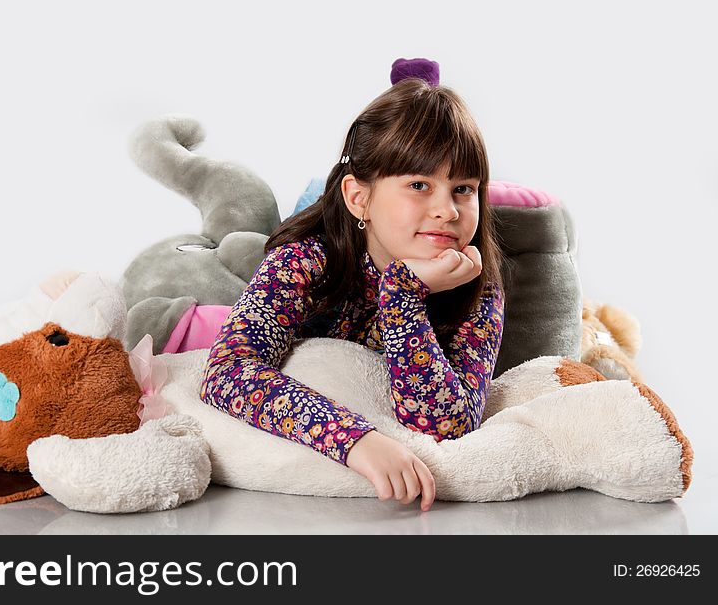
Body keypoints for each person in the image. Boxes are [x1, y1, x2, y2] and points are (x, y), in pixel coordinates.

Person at [200, 58, 505, 512]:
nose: (448, 210)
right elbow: (226, 372)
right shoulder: (305, 262)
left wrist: (404, 295)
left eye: (464, 189)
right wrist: (355, 439)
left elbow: (447, 424)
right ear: (359, 196)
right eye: (420, 184)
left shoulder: (478, 287)